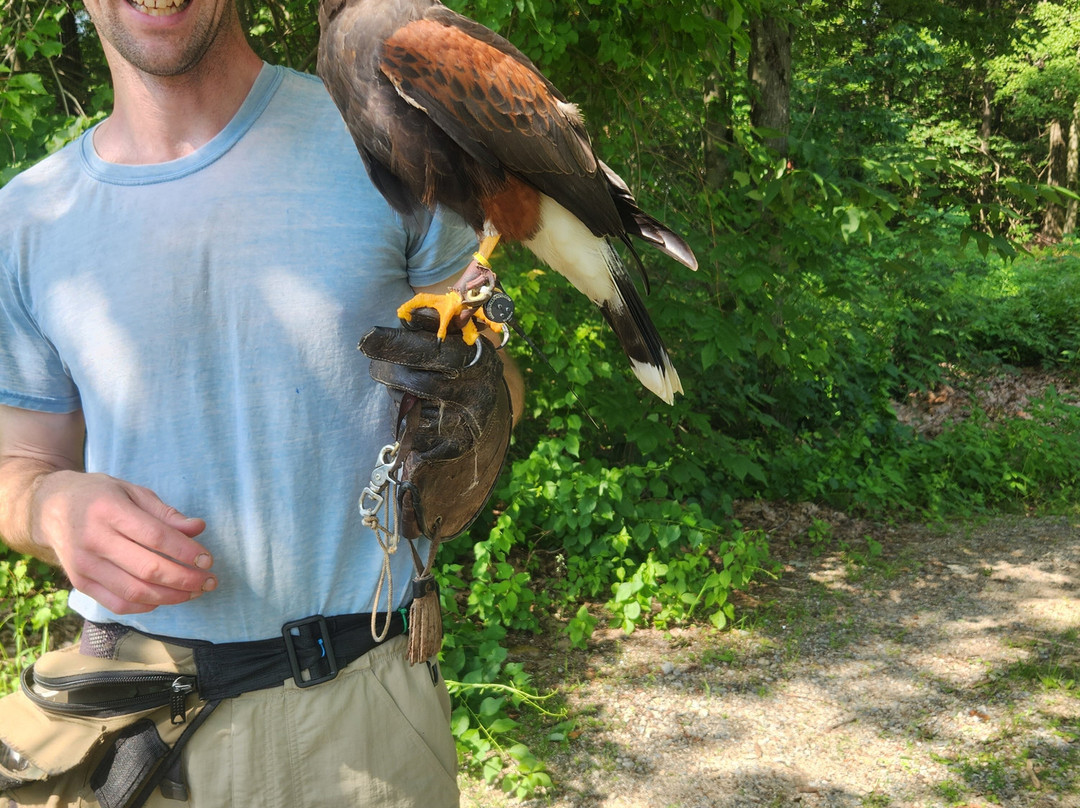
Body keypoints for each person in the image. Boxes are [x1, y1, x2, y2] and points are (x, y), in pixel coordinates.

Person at [0, 0, 523, 804]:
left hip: (369, 706)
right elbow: (19, 464)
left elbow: (503, 387)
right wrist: (48, 505)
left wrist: (478, 398)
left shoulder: (386, 137)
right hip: (141, 718)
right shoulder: (28, 220)